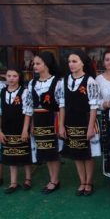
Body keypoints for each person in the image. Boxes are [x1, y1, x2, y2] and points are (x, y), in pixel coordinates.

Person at [58, 49, 100, 196]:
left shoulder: (90, 81)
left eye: (75, 61)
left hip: (85, 121)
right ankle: (81, 181)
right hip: (70, 122)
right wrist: (61, 125)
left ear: (82, 62)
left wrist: (90, 127)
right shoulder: (64, 81)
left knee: (86, 154)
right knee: (76, 153)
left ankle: (89, 182)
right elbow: (62, 105)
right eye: (69, 61)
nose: (71, 64)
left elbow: (94, 107)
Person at [25, 51, 62, 194]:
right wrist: (32, 125)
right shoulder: (32, 83)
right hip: (39, 120)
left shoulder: (56, 82)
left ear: (46, 64)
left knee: (53, 150)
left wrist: (59, 124)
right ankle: (52, 179)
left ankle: (55, 180)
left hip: (51, 119)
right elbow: (30, 106)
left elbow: (60, 105)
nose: (35, 66)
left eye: (38, 63)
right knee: (44, 149)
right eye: (34, 63)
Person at [0, 68, 31, 194]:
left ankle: (28, 179)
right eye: (9, 76)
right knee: (11, 154)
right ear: (5, 77)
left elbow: (28, 112)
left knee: (25, 153)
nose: (11, 78)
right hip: (7, 128)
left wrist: (25, 130)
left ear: (19, 77)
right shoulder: (2, 92)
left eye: (14, 76)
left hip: (21, 127)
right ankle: (13, 182)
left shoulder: (25, 92)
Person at [95, 50, 110, 182]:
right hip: (107, 116)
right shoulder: (99, 79)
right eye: (107, 59)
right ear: (104, 62)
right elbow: (94, 100)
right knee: (109, 144)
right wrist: (104, 104)